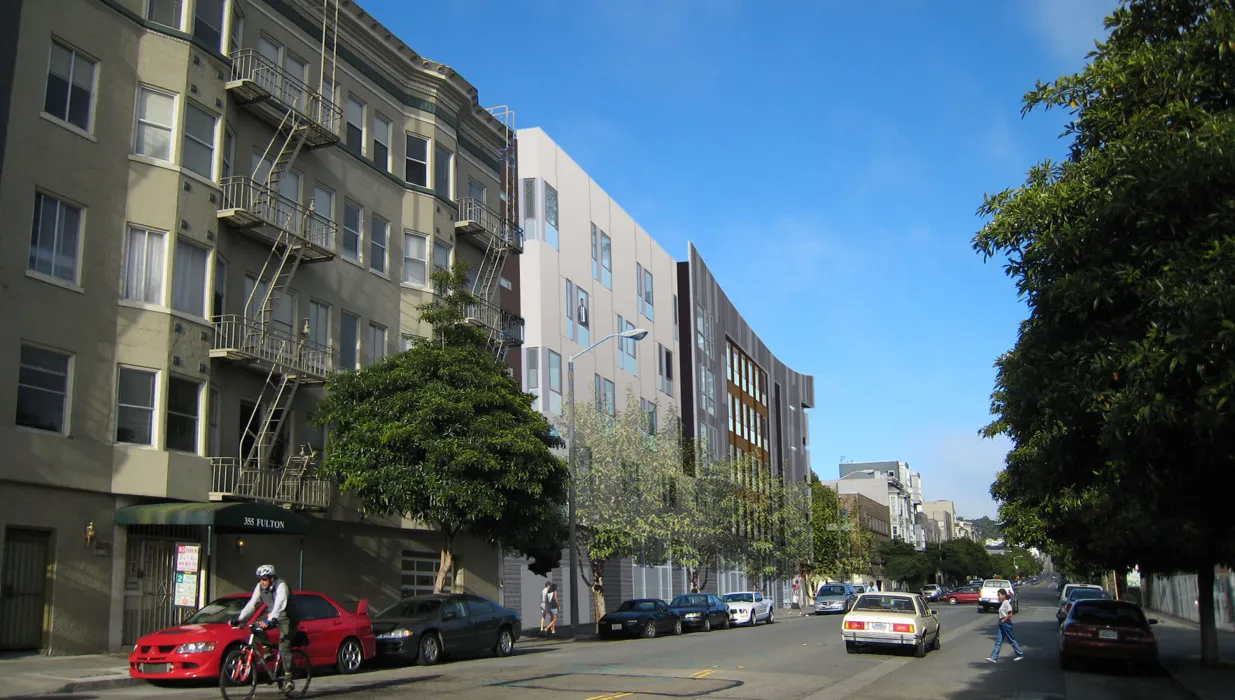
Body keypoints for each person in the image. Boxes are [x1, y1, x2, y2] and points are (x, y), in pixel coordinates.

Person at [233, 565, 298, 689]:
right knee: (255, 627)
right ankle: (268, 650)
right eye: (260, 579)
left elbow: (280, 604)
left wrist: (271, 620)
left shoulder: (281, 586)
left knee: (284, 645)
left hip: (287, 618)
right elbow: (252, 604)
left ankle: (288, 678)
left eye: (264, 579)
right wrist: (240, 618)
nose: (262, 582)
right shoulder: (260, 587)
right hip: (272, 616)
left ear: (272, 579)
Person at [987, 589, 1024, 663]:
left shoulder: (1006, 603)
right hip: (1002, 622)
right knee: (998, 640)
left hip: (1006, 623)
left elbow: (1010, 613)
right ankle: (993, 657)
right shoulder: (1003, 602)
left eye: (999, 595)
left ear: (1003, 595)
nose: (998, 597)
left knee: (1011, 639)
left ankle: (1020, 654)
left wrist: (1004, 620)